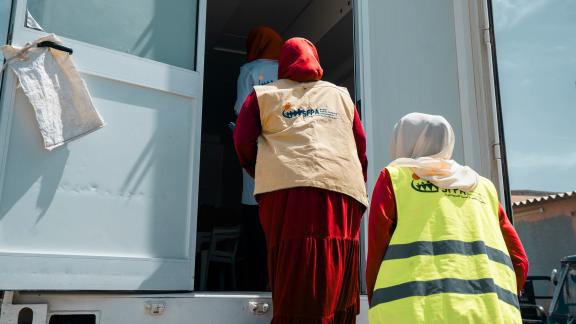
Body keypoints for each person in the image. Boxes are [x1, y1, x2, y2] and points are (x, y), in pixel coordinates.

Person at [234, 37, 368, 323]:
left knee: (297, 272)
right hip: (344, 193)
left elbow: (243, 140)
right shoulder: (341, 96)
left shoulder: (264, 95)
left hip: (290, 194)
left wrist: (261, 172)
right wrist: (355, 183)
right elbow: (360, 146)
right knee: (337, 273)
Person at [366, 113, 529, 323]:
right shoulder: (483, 187)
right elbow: (519, 261)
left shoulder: (394, 178)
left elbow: (377, 253)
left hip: (412, 314)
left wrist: (377, 298)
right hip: (492, 314)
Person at [232, 26, 283, 291]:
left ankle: (253, 286)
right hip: (283, 170)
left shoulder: (250, 72)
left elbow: (242, 111)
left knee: (254, 233)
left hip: (256, 166)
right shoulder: (287, 73)